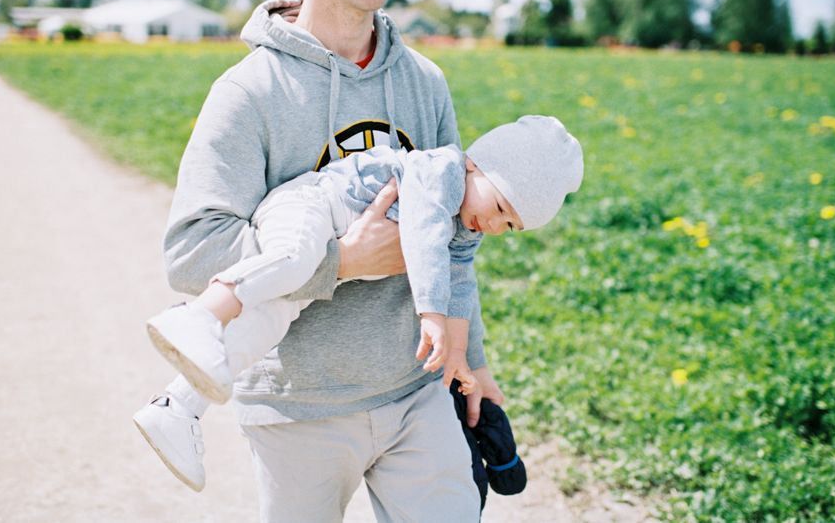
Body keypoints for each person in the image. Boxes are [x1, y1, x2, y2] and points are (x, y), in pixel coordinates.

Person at [133, 0, 532, 519]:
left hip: (415, 393)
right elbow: (193, 252)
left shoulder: (424, 83)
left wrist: (472, 361)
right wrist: (343, 261)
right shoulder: (248, 92)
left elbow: (455, 241)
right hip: (299, 407)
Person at [135, 116, 583, 491]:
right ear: (475, 165)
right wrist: (430, 313)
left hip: (331, 240)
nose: (496, 224)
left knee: (271, 318)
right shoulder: (440, 171)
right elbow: (424, 234)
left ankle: (177, 407)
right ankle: (201, 315)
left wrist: (461, 355)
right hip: (313, 207)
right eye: (502, 205)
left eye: (511, 225)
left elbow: (459, 280)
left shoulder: (467, 225)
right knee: (293, 261)